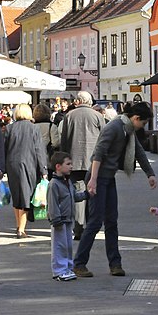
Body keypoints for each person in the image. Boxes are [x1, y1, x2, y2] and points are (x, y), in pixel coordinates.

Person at [73, 101, 158, 278]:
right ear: (135, 118)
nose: (142, 127)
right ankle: (79, 264)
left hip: (108, 178)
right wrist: (93, 180)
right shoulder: (115, 128)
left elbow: (139, 152)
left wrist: (150, 174)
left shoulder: (129, 131)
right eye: (142, 123)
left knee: (112, 221)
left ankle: (115, 264)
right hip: (98, 178)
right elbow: (98, 153)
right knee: (95, 222)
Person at [60, 91, 105, 240]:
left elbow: (64, 140)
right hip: (93, 162)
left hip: (74, 162)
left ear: (78, 101)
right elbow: (104, 140)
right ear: (89, 101)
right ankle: (91, 226)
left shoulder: (69, 116)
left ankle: (78, 228)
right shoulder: (98, 116)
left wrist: (64, 161)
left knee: (78, 194)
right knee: (92, 192)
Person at [5, 103, 48, 239]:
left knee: (17, 195)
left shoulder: (9, 128)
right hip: (29, 164)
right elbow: (39, 150)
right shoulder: (34, 129)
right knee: (26, 196)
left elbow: (4, 149)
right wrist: (43, 169)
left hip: (12, 165)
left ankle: (19, 226)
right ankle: (21, 229)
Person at [48, 152, 89, 281]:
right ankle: (59, 270)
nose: (71, 167)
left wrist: (87, 194)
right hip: (59, 220)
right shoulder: (54, 184)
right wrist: (56, 219)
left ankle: (67, 268)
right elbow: (52, 203)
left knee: (67, 246)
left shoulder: (67, 182)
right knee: (59, 246)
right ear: (58, 166)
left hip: (68, 219)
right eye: (68, 164)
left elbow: (74, 196)